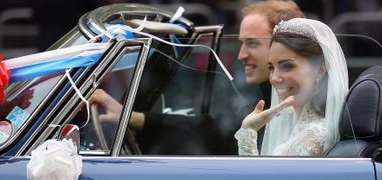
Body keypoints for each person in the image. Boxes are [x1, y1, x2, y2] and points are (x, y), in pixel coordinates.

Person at [89, 0, 305, 155]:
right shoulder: (267, 101)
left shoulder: (300, 110)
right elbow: (213, 129)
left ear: (284, 47)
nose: (241, 55)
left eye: (253, 43)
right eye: (240, 43)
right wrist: (131, 117)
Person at [235, 18, 349, 156]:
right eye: (271, 67)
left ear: (319, 70)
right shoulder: (300, 126)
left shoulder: (314, 137)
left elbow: (261, 178)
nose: (274, 78)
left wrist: (248, 133)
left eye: (287, 66)